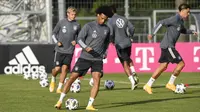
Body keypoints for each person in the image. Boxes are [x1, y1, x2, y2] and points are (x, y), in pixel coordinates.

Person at [54, 5, 112, 111]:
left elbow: (107, 43)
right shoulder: (89, 26)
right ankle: (60, 101)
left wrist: (105, 52)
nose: (104, 20)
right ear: (98, 15)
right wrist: (85, 47)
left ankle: (90, 105)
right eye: (102, 18)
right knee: (72, 78)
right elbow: (79, 39)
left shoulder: (107, 29)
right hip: (85, 58)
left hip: (97, 59)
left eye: (106, 19)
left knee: (97, 79)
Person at [143, 3, 198, 94]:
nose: (188, 14)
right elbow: (161, 22)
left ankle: (148, 85)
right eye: (187, 12)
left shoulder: (180, 21)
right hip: (168, 46)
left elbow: (182, 30)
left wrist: (192, 32)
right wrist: (152, 33)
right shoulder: (175, 19)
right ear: (182, 11)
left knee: (163, 66)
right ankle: (170, 83)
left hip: (166, 46)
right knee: (181, 64)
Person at [49, 6, 81, 93]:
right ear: (68, 14)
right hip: (60, 50)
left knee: (65, 69)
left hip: (70, 50)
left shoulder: (77, 25)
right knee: (57, 69)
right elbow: (53, 33)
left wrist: (76, 41)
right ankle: (53, 78)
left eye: (75, 14)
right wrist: (57, 42)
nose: (74, 16)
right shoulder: (61, 22)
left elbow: (80, 37)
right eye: (72, 14)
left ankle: (59, 88)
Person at [107, 5, 139, 90]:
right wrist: (131, 36)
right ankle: (134, 72)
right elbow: (132, 27)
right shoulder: (124, 18)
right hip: (128, 42)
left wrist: (111, 41)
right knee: (128, 58)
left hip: (119, 44)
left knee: (124, 63)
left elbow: (110, 33)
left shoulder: (110, 21)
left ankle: (132, 81)